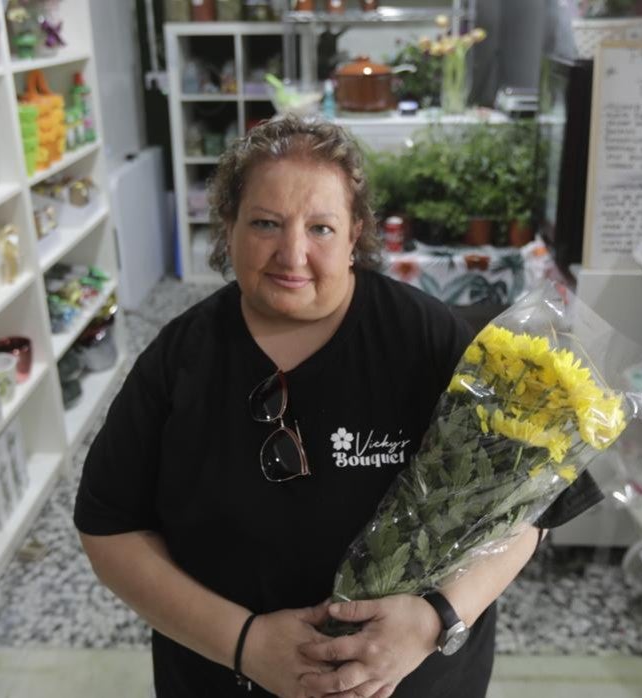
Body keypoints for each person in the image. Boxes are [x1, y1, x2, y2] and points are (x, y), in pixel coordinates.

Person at [75, 115, 599, 698]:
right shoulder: (181, 359)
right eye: (266, 224)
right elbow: (108, 528)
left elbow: (535, 505)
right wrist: (247, 644)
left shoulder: (428, 339)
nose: (291, 254)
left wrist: (436, 619)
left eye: (320, 228)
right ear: (228, 227)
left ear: (356, 235)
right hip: (223, 677)